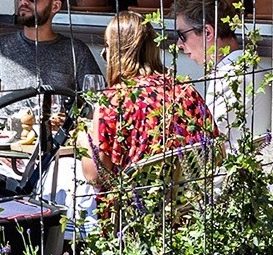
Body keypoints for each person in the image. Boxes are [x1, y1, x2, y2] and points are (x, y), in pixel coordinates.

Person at [79, 10, 217, 189]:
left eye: (107, 48)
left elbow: (95, 177)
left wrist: (84, 141)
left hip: (131, 212)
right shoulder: (185, 91)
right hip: (188, 208)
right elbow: (215, 151)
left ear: (115, 52)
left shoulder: (114, 100)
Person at [0, 0, 101, 97]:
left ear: (55, 6)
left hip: (56, 116)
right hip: (8, 117)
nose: (24, 1)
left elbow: (96, 100)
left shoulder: (76, 51)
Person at [172, 0, 261, 142]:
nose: (179, 44)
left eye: (182, 35)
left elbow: (208, 141)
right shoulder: (249, 66)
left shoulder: (228, 76)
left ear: (208, 32)